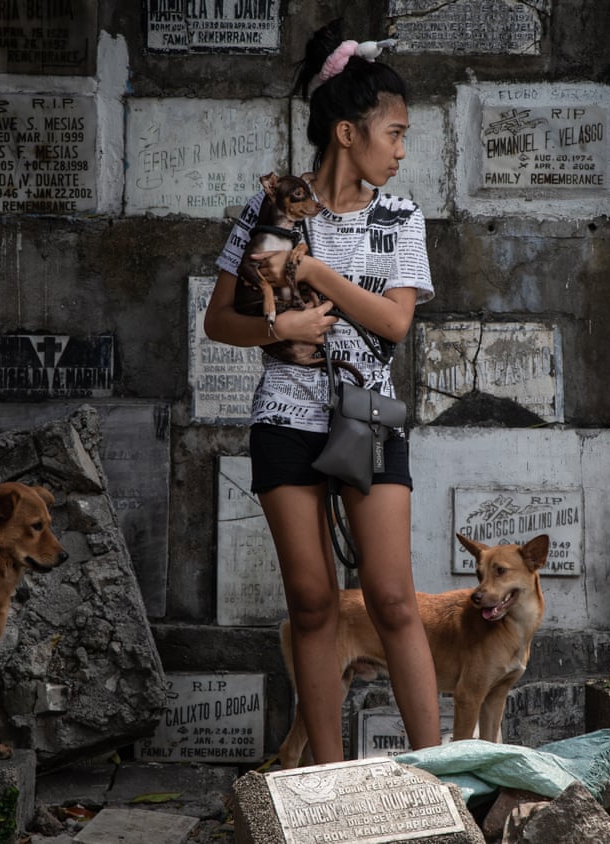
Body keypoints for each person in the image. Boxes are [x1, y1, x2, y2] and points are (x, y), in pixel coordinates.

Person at [203, 19, 439, 764]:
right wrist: (281, 328)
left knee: (394, 599)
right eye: (394, 133)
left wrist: (319, 277)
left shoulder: (399, 217)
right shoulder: (277, 209)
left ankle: (440, 771)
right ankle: (329, 780)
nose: (402, 149)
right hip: (286, 416)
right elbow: (223, 322)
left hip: (367, 417)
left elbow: (395, 323)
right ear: (347, 131)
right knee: (311, 602)